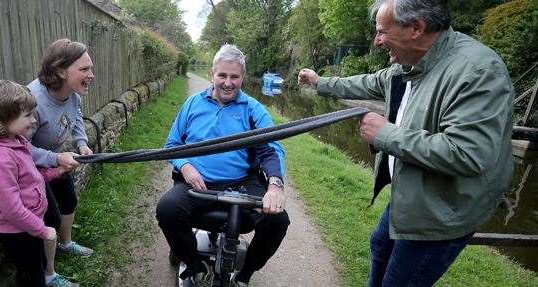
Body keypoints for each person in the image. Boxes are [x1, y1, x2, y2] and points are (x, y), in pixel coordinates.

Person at [297, 0, 514, 286]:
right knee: (380, 247)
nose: (376, 41)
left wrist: (385, 134)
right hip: (411, 196)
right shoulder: (412, 64)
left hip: (441, 213)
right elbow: (369, 82)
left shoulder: (477, 71)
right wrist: (320, 82)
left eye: (382, 32)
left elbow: (468, 154)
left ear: (416, 27)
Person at [156, 44, 290, 287]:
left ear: (242, 78)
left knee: (278, 220)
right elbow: (172, 144)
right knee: (167, 209)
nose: (228, 82)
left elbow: (271, 151)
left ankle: (244, 275)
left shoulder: (253, 110)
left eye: (234, 77)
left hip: (241, 184)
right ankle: (196, 266)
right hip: (197, 182)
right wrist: (185, 166)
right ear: (212, 74)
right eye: (222, 75)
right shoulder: (192, 104)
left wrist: (275, 186)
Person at [0, 80, 73, 287]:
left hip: (29, 226)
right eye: (27, 115)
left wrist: (57, 172)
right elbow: (12, 209)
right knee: (31, 276)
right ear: (0, 119)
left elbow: (31, 179)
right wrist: (43, 230)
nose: (33, 120)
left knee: (38, 265)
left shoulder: (16, 141)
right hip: (17, 232)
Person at [27, 38, 95, 287]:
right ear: (60, 70)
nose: (91, 75)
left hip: (55, 160)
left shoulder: (74, 93)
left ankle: (65, 244)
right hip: (30, 169)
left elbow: (76, 116)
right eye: (84, 69)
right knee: (50, 219)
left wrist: (81, 142)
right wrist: (55, 158)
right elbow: (19, 149)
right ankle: (49, 275)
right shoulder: (31, 101)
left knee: (69, 200)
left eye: (91, 68)